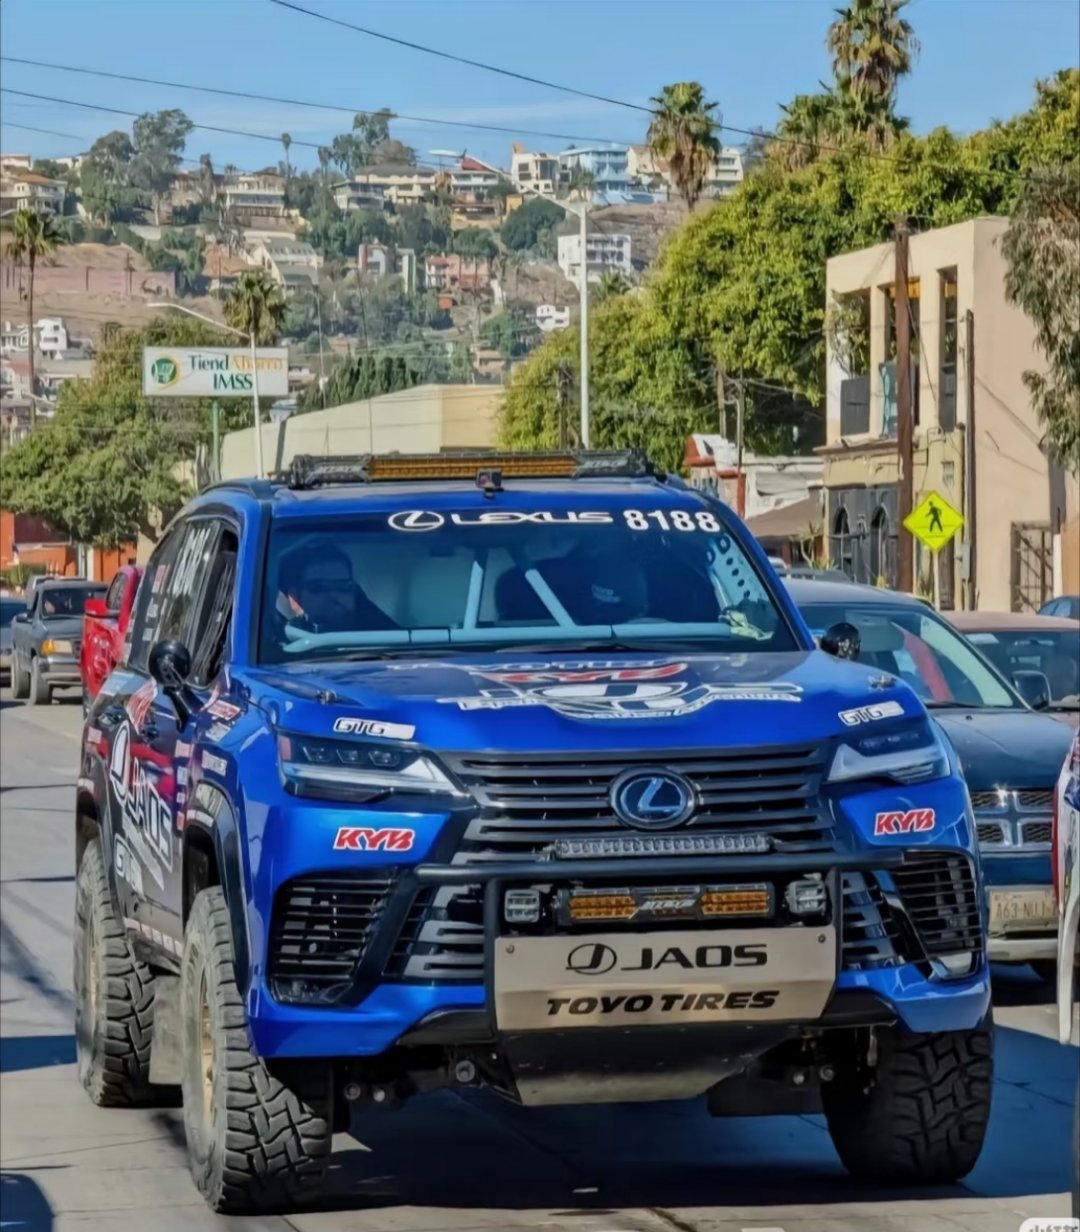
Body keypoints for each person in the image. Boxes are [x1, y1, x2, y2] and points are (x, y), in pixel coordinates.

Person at [278, 545, 397, 635]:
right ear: (294, 596)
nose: (334, 595)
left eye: (343, 587)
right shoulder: (275, 644)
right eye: (318, 587)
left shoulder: (386, 637)